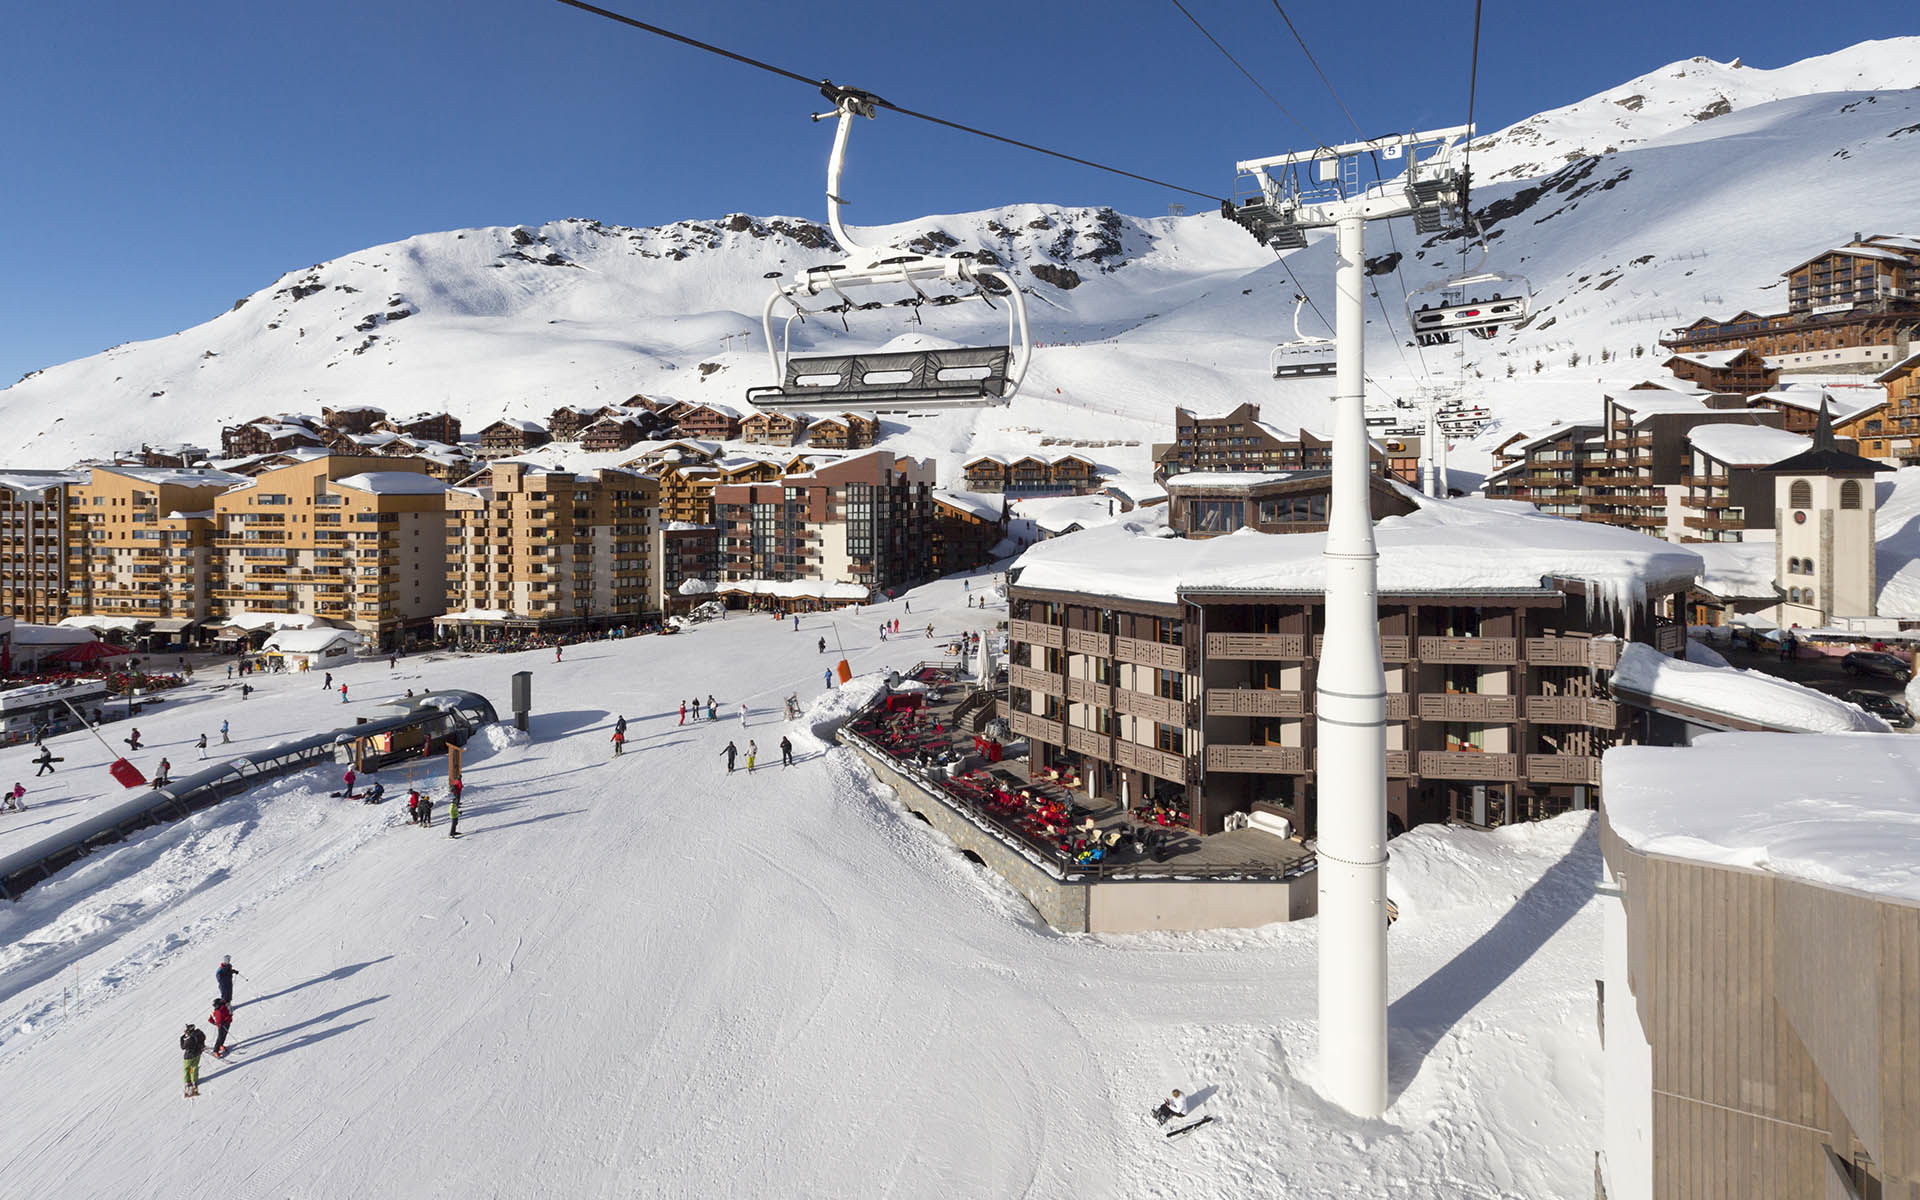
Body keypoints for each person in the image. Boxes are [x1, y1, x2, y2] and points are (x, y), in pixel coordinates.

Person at [181, 1023, 207, 1098]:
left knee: (187, 1069)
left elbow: (183, 1046)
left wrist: (183, 1037)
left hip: (189, 1056)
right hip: (197, 1054)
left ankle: (187, 1081)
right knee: (194, 1067)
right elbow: (204, 1037)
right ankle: (194, 1080)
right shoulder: (199, 1033)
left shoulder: (189, 1038)